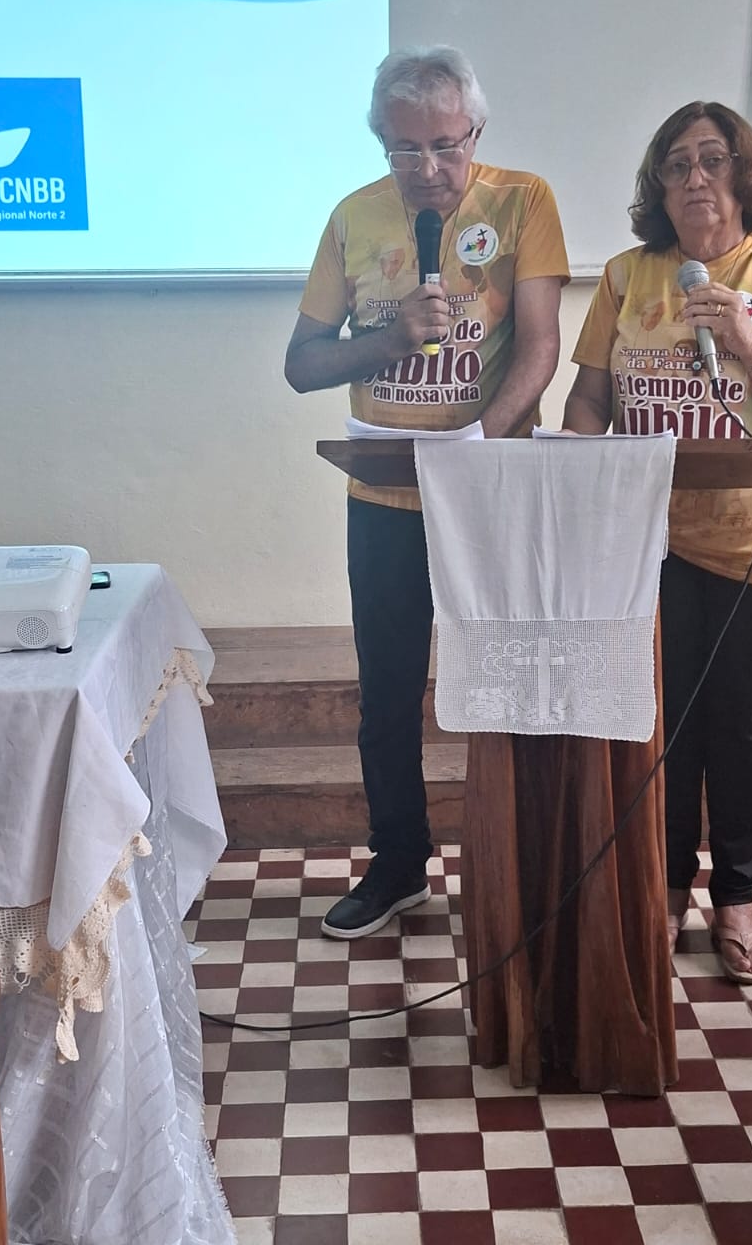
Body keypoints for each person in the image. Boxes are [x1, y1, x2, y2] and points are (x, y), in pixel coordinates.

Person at [563, 101, 752, 984]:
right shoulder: (627, 277)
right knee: (662, 725)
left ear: (744, 175)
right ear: (658, 186)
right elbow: (590, 399)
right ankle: (664, 889)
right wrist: (576, 469)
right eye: (676, 164)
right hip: (644, 545)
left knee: (740, 726)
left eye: (713, 160)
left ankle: (737, 896)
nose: (695, 178)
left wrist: (750, 343)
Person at [285, 46, 569, 939]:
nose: (430, 168)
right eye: (406, 149)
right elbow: (302, 365)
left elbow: (540, 346)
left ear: (475, 130)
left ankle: (517, 864)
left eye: (448, 145)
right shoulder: (353, 217)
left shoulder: (523, 202)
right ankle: (399, 863)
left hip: (492, 488)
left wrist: (481, 446)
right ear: (381, 140)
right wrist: (389, 339)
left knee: (512, 681)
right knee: (388, 692)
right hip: (385, 497)